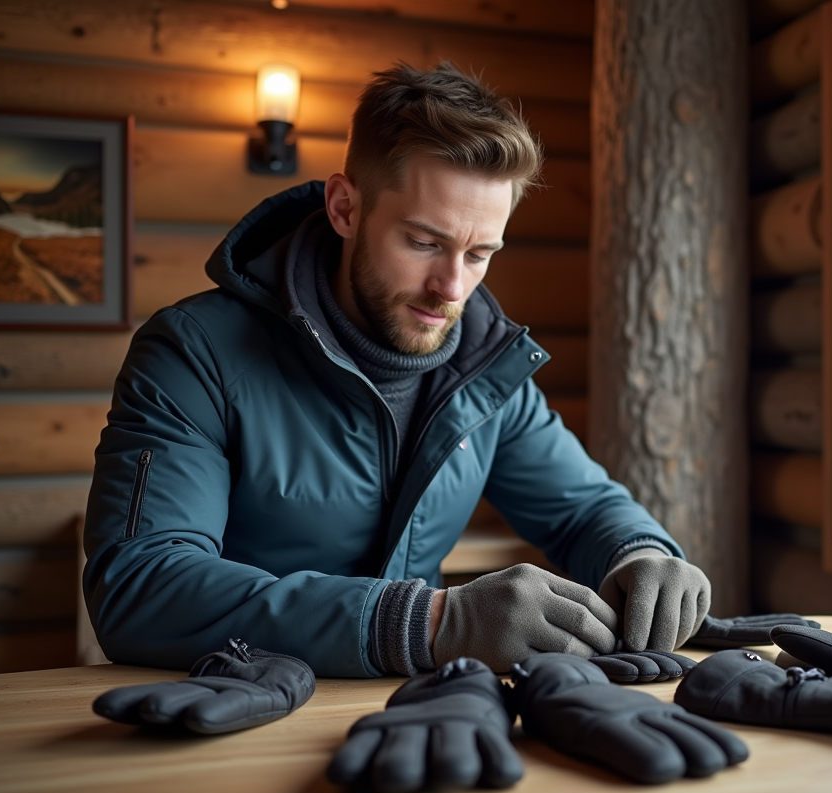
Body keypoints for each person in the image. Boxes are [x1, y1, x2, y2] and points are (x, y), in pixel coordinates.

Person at [82, 63, 711, 678]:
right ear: (345, 209)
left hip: (420, 718)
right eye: (424, 242)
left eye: (480, 253)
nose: (450, 287)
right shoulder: (193, 351)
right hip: (228, 719)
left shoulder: (484, 366)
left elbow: (581, 511)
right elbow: (140, 584)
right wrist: (430, 624)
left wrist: (643, 553)